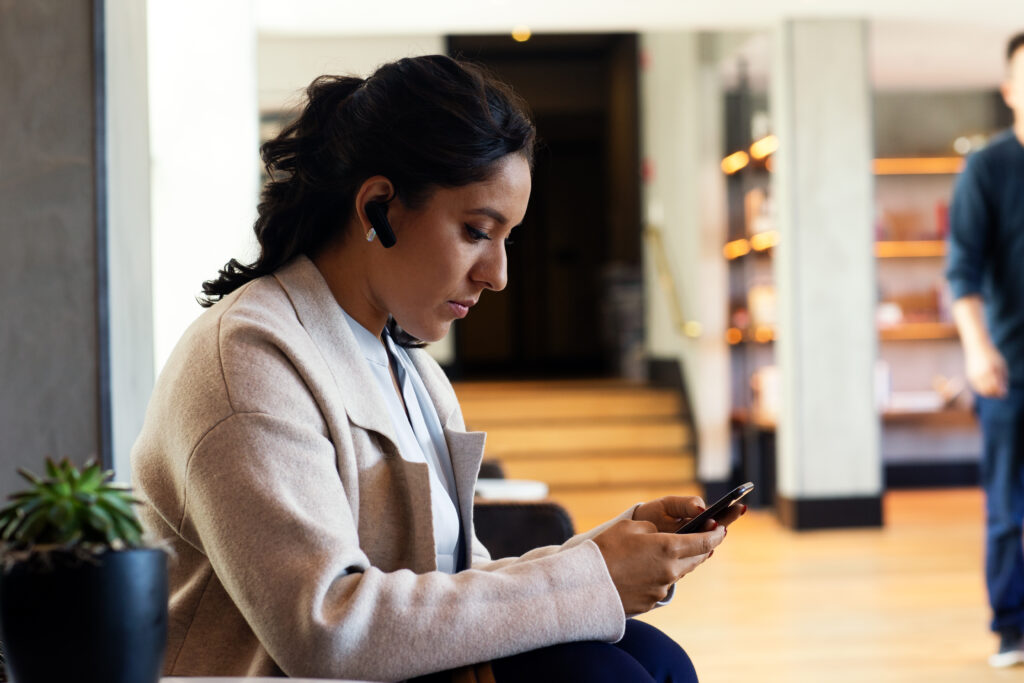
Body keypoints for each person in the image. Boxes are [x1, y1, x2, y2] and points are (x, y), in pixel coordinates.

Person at [131, 55, 742, 682]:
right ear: (378, 209)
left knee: (654, 658)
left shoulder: (411, 371)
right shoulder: (249, 362)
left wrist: (604, 555)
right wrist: (591, 578)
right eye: (478, 230)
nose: (498, 275)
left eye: (508, 239)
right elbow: (326, 631)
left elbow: (453, 587)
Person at [947, 31, 1024, 669]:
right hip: (1009, 373)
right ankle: (1012, 627)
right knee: (1007, 508)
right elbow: (962, 274)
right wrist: (978, 350)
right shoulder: (989, 169)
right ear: (1009, 90)